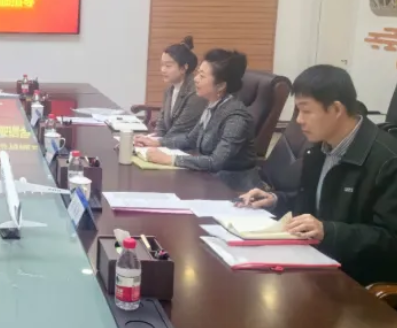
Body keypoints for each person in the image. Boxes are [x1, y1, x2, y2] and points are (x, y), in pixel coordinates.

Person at [238, 65, 397, 285]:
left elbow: (390, 240)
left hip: (355, 280)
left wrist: (328, 231)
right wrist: (275, 200)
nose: (299, 120)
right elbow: (316, 205)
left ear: (336, 109)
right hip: (313, 261)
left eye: (306, 111)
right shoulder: (319, 149)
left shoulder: (388, 160)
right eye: (298, 111)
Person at [142, 48, 258, 190]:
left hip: (234, 188)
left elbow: (215, 162)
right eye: (198, 73)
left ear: (221, 85)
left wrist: (171, 159)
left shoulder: (235, 117)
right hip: (209, 180)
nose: (195, 79)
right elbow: (190, 139)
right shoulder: (213, 105)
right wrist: (157, 142)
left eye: (202, 76)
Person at [135, 36, 206, 148]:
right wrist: (151, 138)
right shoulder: (169, 89)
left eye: (168, 66)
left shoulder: (195, 92)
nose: (163, 70)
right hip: (169, 144)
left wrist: (156, 142)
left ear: (183, 68)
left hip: (187, 149)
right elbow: (161, 124)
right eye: (162, 65)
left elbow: (181, 130)